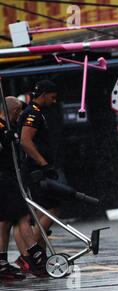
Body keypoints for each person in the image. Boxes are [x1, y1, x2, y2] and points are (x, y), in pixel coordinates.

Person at [0, 97, 47, 280]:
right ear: (12, 111)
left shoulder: (7, 127)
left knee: (5, 221)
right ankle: (35, 253)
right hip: (4, 179)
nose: (20, 115)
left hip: (9, 177)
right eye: (18, 111)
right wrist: (5, 141)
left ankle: (3, 261)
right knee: (22, 216)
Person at [16, 80, 61, 271]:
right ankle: (27, 254)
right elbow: (26, 141)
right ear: (43, 94)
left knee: (41, 213)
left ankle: (38, 256)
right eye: (52, 96)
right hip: (35, 171)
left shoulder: (36, 112)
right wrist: (44, 164)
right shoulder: (33, 113)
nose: (54, 100)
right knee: (53, 209)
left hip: (36, 170)